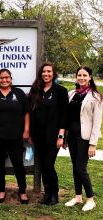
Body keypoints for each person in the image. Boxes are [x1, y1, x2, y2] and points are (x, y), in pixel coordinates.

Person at [0, 68, 29, 204]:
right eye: (1, 78)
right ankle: (1, 190)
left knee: (18, 164)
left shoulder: (19, 93)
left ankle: (22, 191)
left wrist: (26, 130)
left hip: (16, 137)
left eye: (7, 77)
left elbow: (26, 113)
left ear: (11, 79)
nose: (4, 80)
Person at [28, 62, 68, 205]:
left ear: (53, 73)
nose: (46, 74)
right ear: (40, 74)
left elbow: (64, 115)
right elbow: (30, 114)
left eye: (49, 72)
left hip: (53, 135)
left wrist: (61, 136)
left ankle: (54, 194)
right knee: (44, 166)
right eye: (44, 72)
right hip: (37, 135)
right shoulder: (35, 90)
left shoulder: (61, 91)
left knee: (48, 165)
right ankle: (47, 194)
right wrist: (30, 135)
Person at [65, 66, 103, 211]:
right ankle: (78, 197)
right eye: (79, 75)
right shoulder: (71, 94)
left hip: (85, 138)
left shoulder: (96, 96)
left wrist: (93, 144)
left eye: (84, 75)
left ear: (90, 77)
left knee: (81, 168)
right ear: (76, 77)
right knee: (75, 167)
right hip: (72, 137)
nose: (81, 78)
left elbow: (97, 122)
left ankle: (91, 199)